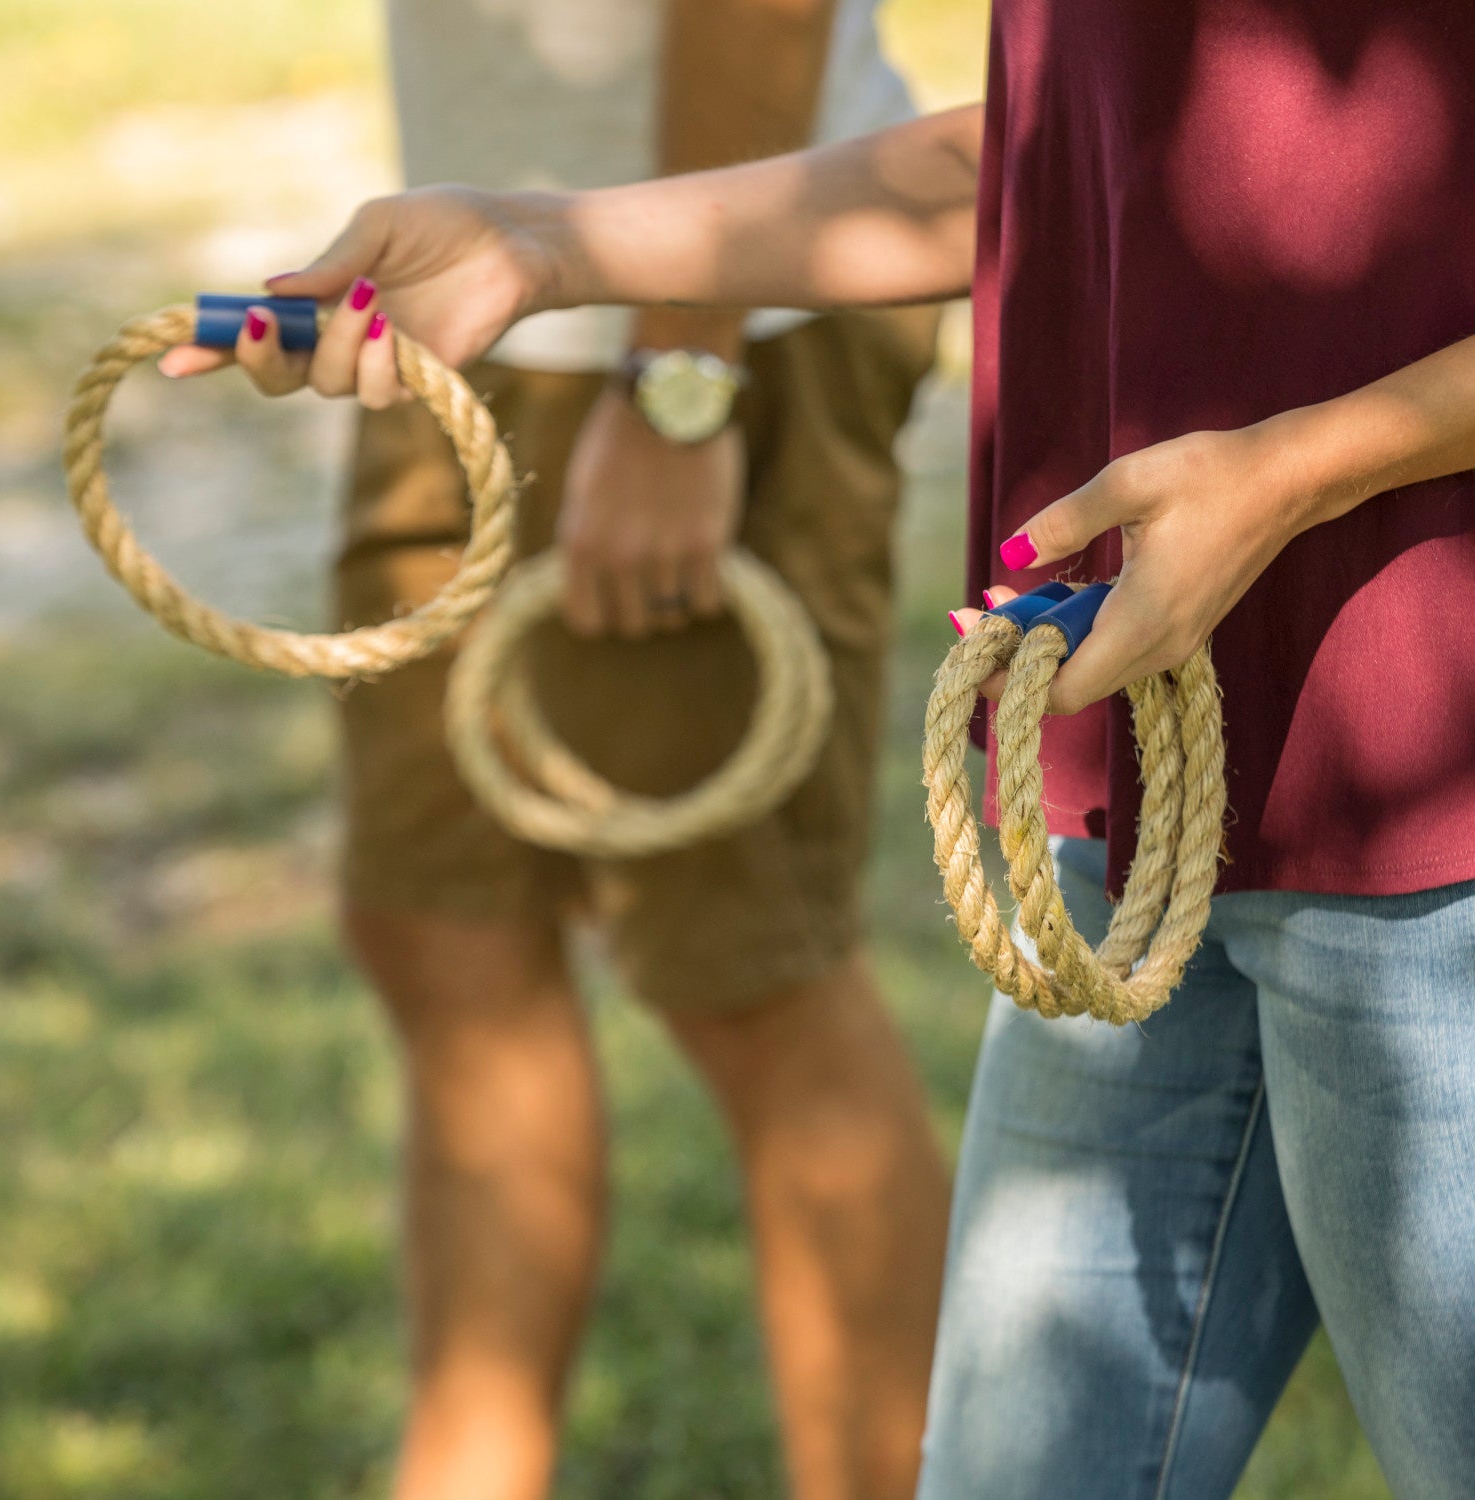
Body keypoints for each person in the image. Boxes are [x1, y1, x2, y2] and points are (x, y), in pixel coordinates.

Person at [164, 1, 1475, 1496]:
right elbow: (1050, 163)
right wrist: (539, 243)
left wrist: (1298, 472)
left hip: (1428, 818)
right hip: (1139, 810)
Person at [168, 4, 950, 1499]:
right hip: (457, 291)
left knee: (748, 972)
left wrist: (682, 381)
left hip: (715, 319)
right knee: (441, 925)